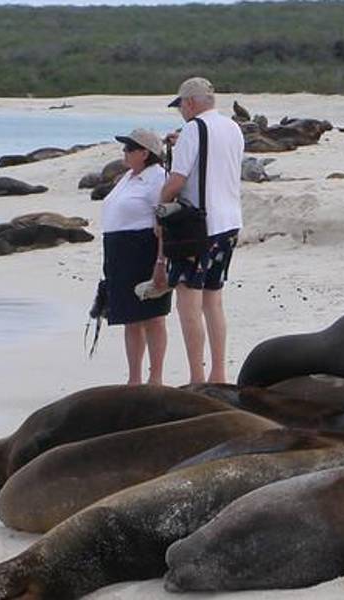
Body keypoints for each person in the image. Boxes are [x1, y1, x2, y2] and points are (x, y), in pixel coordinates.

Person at [159, 77, 244, 384]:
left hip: (198, 226)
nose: (181, 111)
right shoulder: (232, 127)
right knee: (214, 298)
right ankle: (218, 372)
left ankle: (197, 375)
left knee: (188, 300)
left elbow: (178, 179)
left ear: (190, 103)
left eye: (181, 105)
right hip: (230, 221)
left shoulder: (194, 129)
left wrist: (160, 203)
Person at [100, 128, 171, 385]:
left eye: (129, 149)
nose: (124, 153)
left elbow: (164, 221)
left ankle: (156, 376)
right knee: (130, 317)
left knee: (152, 315)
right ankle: (134, 377)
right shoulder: (129, 177)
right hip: (118, 250)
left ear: (145, 153)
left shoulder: (157, 179)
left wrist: (161, 261)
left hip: (142, 247)